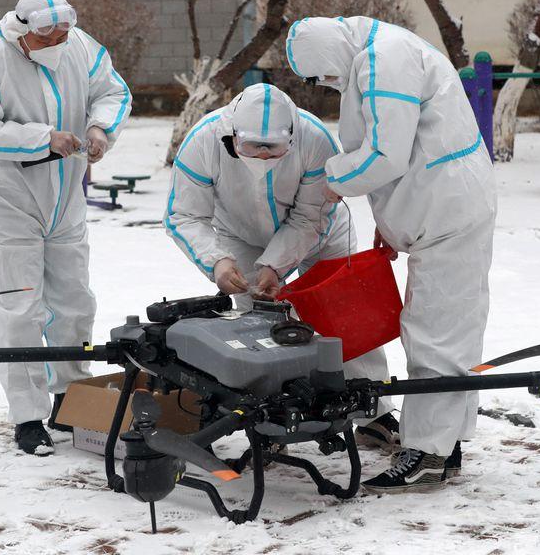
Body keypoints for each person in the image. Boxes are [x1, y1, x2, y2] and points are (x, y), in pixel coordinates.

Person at [285, 16, 496, 493]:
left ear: (329, 53)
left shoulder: (385, 60)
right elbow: (407, 145)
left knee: (436, 332)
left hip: (446, 210)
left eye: (322, 76)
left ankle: (427, 451)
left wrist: (331, 182)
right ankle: (442, 444)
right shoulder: (380, 54)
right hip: (439, 208)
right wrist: (388, 221)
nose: (326, 85)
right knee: (447, 329)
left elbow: (385, 155)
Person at [164, 83, 398, 448]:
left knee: (346, 319)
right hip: (238, 236)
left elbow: (309, 217)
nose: (261, 156)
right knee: (257, 330)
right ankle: (270, 419)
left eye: (272, 148)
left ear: (291, 136)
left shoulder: (316, 139)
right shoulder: (203, 141)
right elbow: (185, 215)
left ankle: (374, 412)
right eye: (251, 147)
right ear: (233, 134)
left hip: (320, 235)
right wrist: (218, 262)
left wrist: (273, 265)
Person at [0, 0, 132, 455]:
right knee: (20, 305)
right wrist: (43, 140)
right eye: (47, 39)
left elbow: (113, 90)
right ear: (22, 30)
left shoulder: (82, 45)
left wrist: (99, 127)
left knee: (74, 299)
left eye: (63, 38)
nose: (57, 46)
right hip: (9, 196)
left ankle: (69, 399)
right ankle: (28, 416)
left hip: (66, 196)